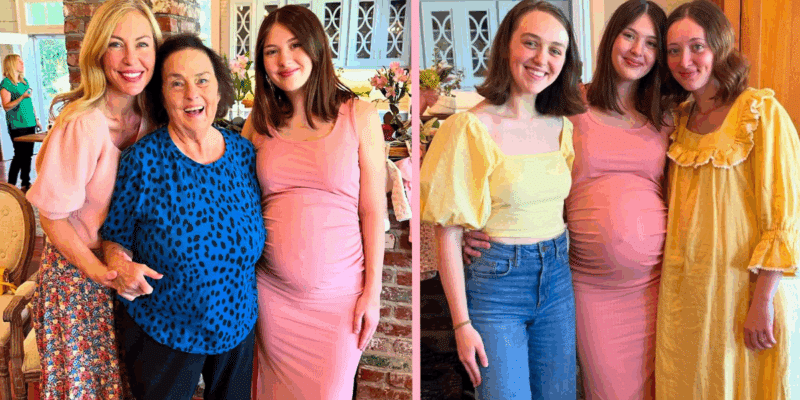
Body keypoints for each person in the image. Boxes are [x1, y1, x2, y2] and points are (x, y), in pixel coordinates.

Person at [463, 1, 671, 398]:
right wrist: (474, 223)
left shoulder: (665, 116)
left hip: (656, 286)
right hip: (589, 286)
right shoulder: (570, 105)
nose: (636, 50)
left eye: (651, 42)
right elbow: (518, 154)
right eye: (628, 35)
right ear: (611, 38)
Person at [420, 1, 586, 398]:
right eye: (530, 43)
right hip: (497, 288)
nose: (541, 59)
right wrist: (461, 324)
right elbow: (447, 232)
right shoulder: (468, 128)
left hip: (558, 279)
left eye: (555, 50)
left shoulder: (561, 126)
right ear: (506, 46)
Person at [99, 34, 265, 400]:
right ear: (161, 95)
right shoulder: (142, 162)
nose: (192, 94)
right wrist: (118, 262)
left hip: (237, 325)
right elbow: (114, 236)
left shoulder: (242, 154)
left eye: (202, 80)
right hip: (163, 329)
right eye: (177, 84)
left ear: (219, 89)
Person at [241, 5, 386, 399]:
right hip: (271, 299)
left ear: (317, 47)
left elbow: (373, 212)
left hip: (339, 304)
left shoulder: (360, 115)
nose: (284, 60)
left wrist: (372, 293)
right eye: (271, 51)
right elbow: (236, 199)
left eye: (294, 45)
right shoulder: (259, 122)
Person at [656, 1, 799, 398]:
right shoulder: (679, 120)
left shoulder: (761, 112)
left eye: (697, 47)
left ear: (719, 47)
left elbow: (784, 215)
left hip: (741, 293)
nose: (685, 61)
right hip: (686, 293)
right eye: (673, 50)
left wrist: (763, 300)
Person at [24, 0, 161, 397]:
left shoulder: (152, 118)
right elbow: (51, 218)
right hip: (80, 280)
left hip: (128, 277)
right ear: (98, 52)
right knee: (92, 389)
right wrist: (100, 272)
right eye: (117, 44)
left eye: (143, 44)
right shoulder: (83, 124)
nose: (132, 58)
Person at [1, 54, 42, 192]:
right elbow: (6, 106)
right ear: (12, 64)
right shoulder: (6, 83)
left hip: (30, 122)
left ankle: (26, 183)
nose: (22, 63)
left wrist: (36, 119)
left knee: (28, 155)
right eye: (19, 61)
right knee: (19, 155)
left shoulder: (24, 82)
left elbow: (29, 102)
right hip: (17, 125)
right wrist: (21, 97)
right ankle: (11, 186)